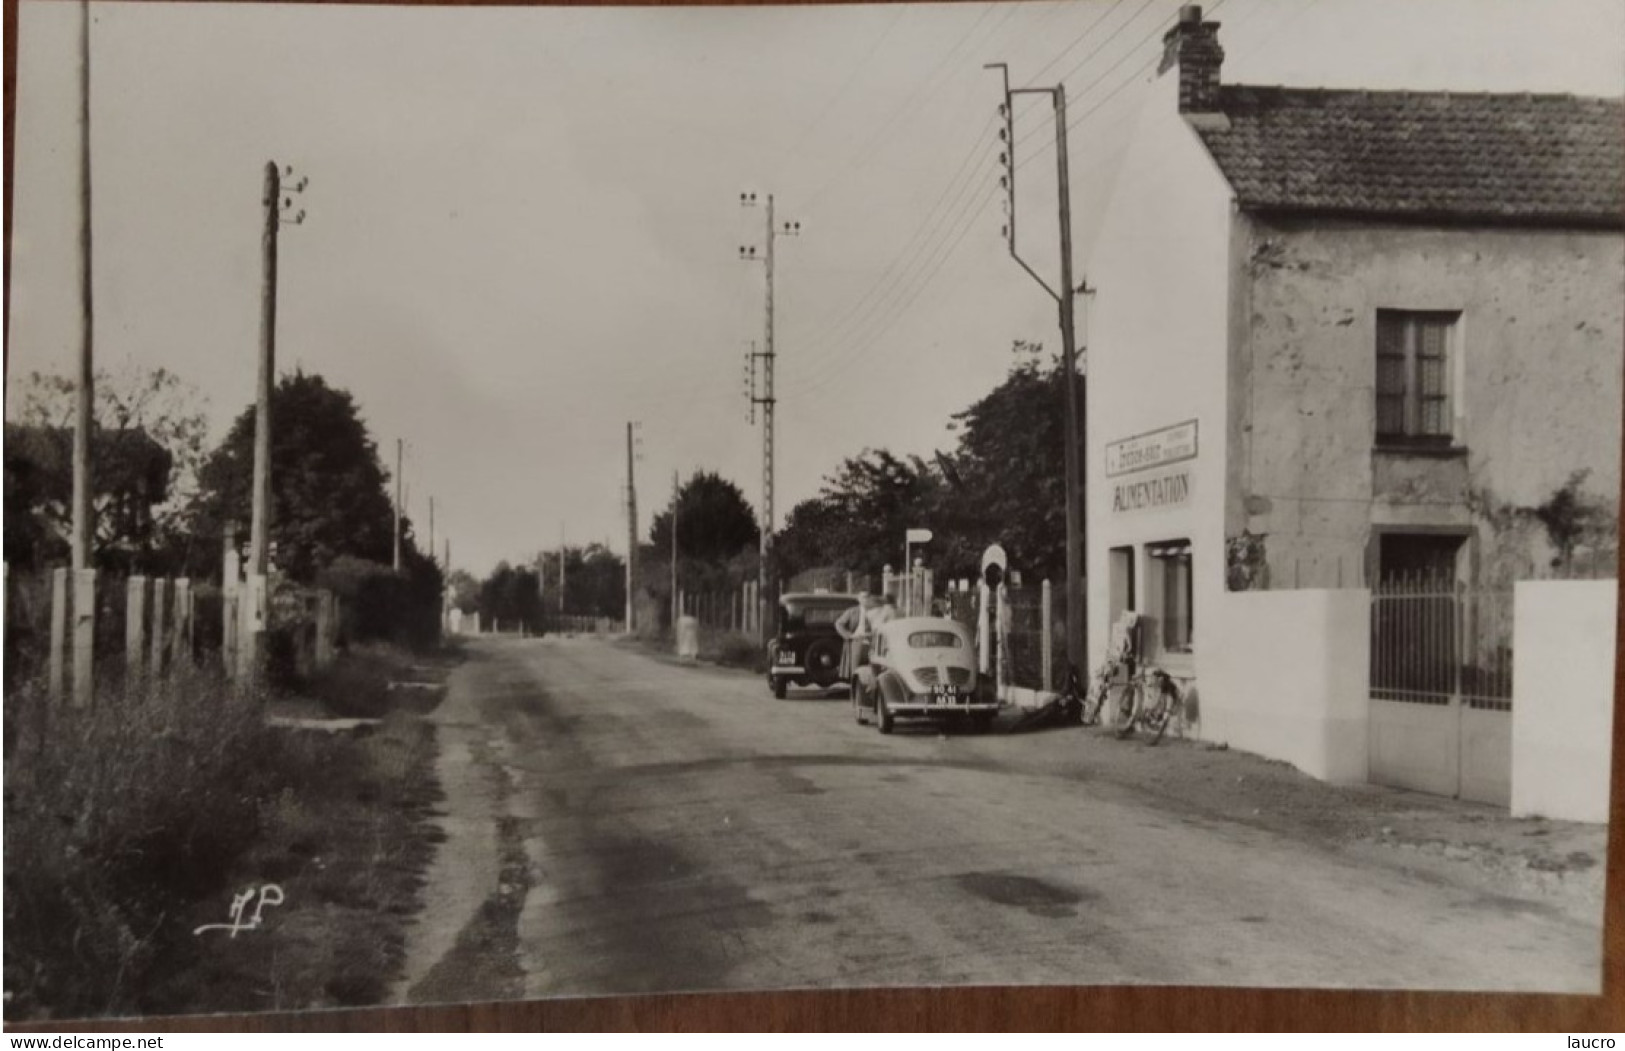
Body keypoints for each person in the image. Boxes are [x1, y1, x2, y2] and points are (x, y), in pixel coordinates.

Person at [835, 592, 873, 679]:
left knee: (871, 667)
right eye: (863, 597)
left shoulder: (874, 611)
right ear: (859, 599)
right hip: (856, 641)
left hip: (871, 642)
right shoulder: (852, 611)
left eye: (868, 597)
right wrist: (849, 635)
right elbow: (839, 623)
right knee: (855, 667)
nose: (866, 600)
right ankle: (855, 687)